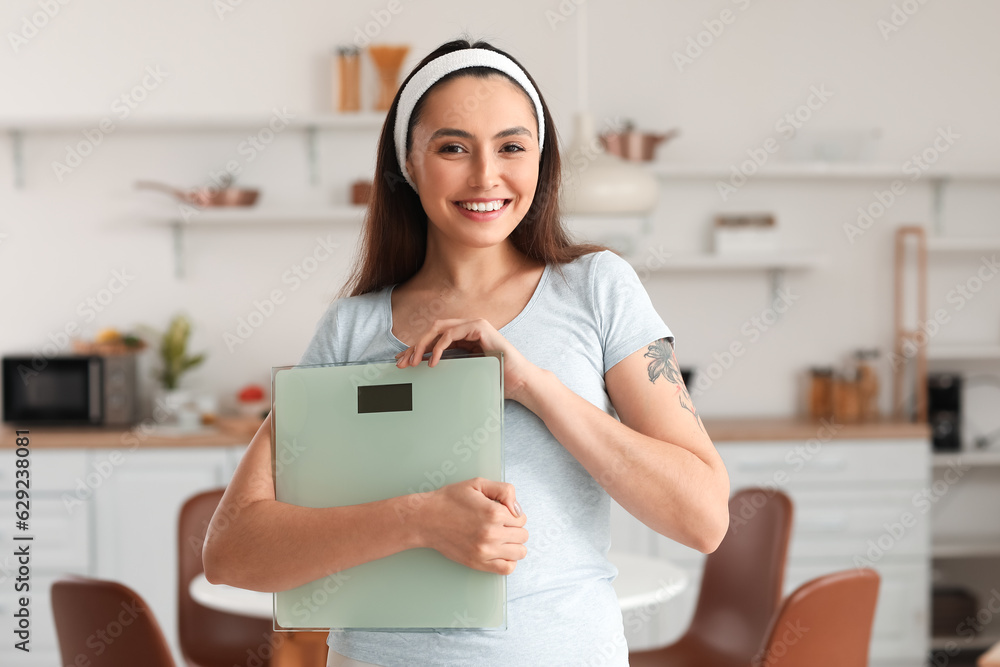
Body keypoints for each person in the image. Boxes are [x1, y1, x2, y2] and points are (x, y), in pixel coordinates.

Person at [203, 37, 730, 667]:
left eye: (512, 147)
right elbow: (231, 551)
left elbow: (703, 518)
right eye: (453, 147)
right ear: (408, 163)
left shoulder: (596, 288)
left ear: (541, 161)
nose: (485, 176)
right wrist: (420, 519)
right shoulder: (351, 329)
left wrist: (532, 385)